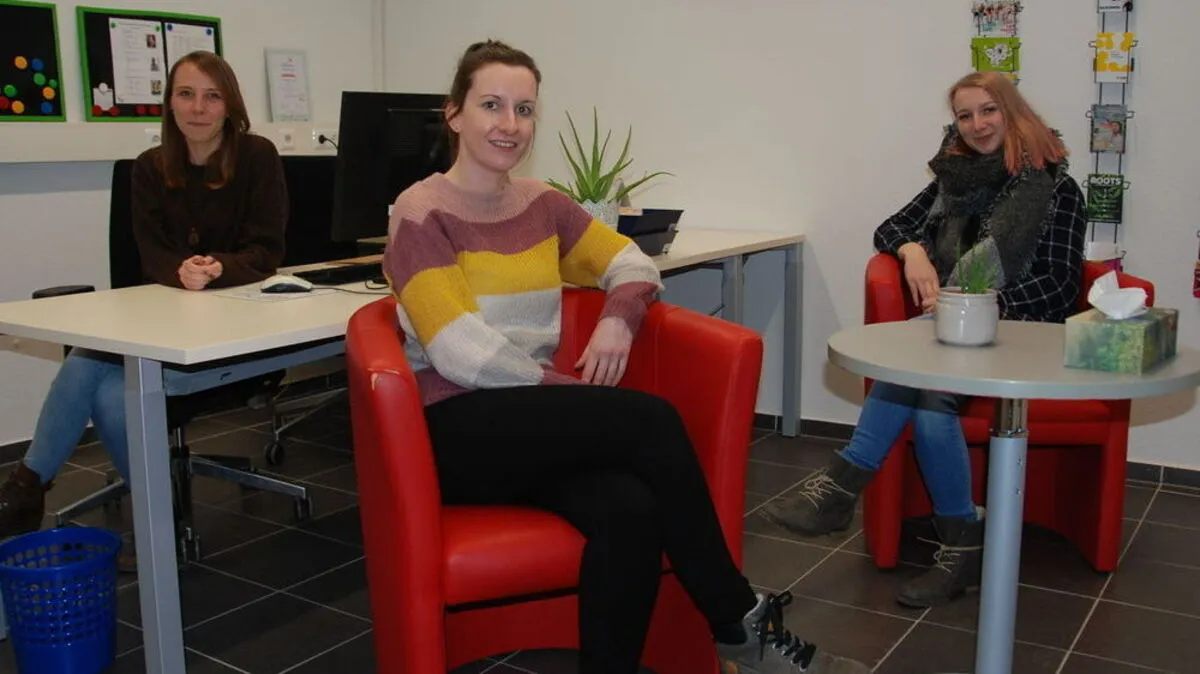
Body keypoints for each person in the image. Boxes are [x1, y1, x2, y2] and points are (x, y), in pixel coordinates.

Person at [384, 40, 868, 674]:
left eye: (524, 109)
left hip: (531, 425)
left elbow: (632, 262)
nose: (509, 125)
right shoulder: (419, 212)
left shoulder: (542, 204)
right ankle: (737, 622)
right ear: (454, 114)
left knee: (630, 510)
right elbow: (459, 354)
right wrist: (563, 389)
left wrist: (617, 319)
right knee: (649, 420)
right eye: (491, 105)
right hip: (456, 427)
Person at [761, 70, 1086, 608]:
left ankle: (839, 492)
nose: (977, 125)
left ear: (1012, 112)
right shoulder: (952, 183)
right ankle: (961, 547)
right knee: (931, 399)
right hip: (949, 329)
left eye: (988, 110)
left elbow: (1059, 285)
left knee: (912, 374)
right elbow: (890, 228)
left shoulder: (1055, 188)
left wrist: (974, 306)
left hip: (1023, 336)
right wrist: (912, 251)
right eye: (965, 115)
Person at [0, 51, 288, 568]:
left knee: (99, 372)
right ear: (169, 103)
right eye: (185, 94)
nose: (197, 107)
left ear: (230, 105)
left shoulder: (257, 157)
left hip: (234, 331)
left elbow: (266, 251)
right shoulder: (150, 169)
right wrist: (179, 271)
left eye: (211, 95)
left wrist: (218, 267)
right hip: (166, 319)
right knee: (107, 384)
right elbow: (150, 252)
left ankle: (28, 487)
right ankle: (160, 523)